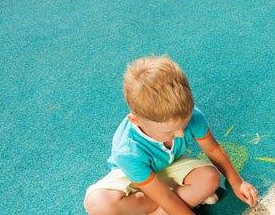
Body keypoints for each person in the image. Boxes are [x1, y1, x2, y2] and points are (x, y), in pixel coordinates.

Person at [84, 55, 258, 215]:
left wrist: (237, 182)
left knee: (210, 178)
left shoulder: (188, 115)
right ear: (136, 121)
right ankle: (175, 205)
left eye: (184, 124)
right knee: (99, 205)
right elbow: (165, 197)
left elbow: (212, 149)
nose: (181, 133)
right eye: (170, 131)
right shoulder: (127, 151)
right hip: (132, 178)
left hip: (169, 168)